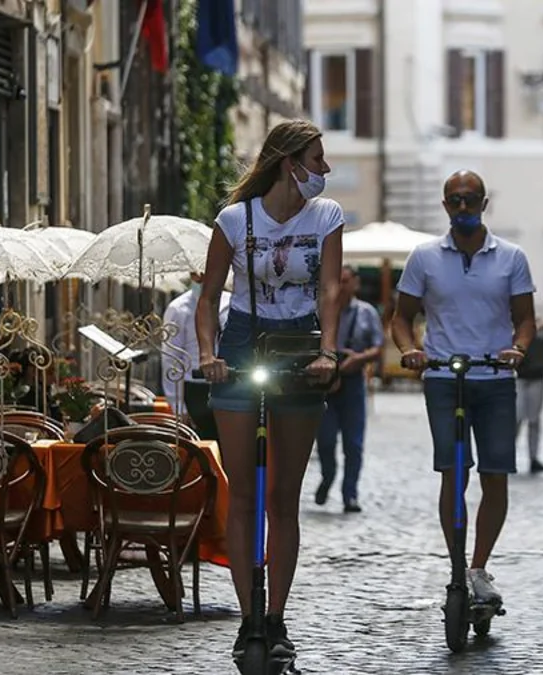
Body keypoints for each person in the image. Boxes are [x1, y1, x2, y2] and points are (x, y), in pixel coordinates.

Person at [195, 119, 343, 666]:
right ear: (290, 163)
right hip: (242, 342)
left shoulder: (326, 216)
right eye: (317, 159)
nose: (324, 169)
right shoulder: (235, 220)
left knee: (283, 496)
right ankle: (247, 618)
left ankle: (276, 616)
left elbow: (330, 289)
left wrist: (329, 352)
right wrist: (208, 355)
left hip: (300, 343)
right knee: (243, 495)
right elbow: (209, 296)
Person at [391, 169, 536, 609]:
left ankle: (478, 568)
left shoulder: (511, 258)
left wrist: (518, 349)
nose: (462, 207)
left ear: (484, 204)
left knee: (495, 474)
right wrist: (409, 350)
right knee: (453, 473)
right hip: (443, 378)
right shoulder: (424, 257)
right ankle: (456, 566)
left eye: (470, 199)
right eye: (454, 200)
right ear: (444, 205)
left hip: (494, 377)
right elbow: (401, 318)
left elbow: (525, 319)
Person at [315, 265, 383, 512]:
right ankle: (328, 476)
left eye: (346, 281)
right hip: (324, 383)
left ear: (356, 283)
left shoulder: (367, 312)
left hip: (353, 382)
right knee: (325, 440)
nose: (342, 286)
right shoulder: (320, 310)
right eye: (338, 281)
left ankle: (350, 494)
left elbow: (378, 346)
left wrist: (360, 358)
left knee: (353, 444)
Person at [162, 272, 230, 437]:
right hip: (196, 387)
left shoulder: (232, 303)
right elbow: (171, 358)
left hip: (230, 383)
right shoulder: (178, 308)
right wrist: (178, 406)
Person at [516, 318, 543, 473]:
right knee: (517, 417)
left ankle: (533, 456)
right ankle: (510, 453)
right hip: (520, 377)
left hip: (536, 377)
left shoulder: (542, 332)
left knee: (534, 419)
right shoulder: (517, 332)